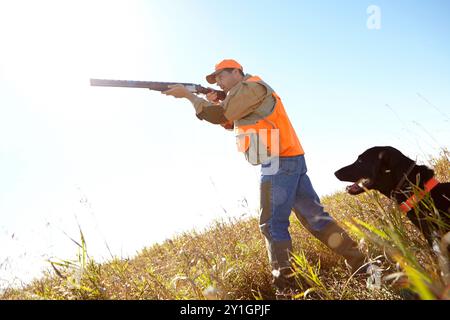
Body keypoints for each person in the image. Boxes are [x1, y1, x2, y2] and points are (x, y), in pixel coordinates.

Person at [162, 59, 367, 295]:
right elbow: (230, 122)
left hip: (278, 162)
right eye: (215, 78)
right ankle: (362, 263)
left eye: (221, 75)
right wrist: (218, 100)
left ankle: (286, 289)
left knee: (272, 225)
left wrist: (189, 97)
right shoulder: (242, 92)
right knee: (315, 218)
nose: (218, 80)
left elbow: (220, 115)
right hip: (287, 158)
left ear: (237, 72)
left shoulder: (249, 87)